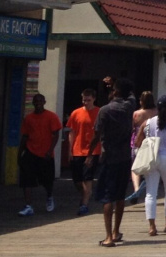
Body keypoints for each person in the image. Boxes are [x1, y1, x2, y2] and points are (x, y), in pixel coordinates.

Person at [88, 78, 136, 247]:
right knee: (120, 196)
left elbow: (96, 134)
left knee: (107, 197)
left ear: (115, 92)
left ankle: (108, 236)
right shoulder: (129, 106)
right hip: (124, 157)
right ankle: (116, 232)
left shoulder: (105, 110)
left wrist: (89, 153)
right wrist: (116, 84)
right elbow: (130, 94)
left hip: (109, 157)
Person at [134, 95, 166, 236]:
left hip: (151, 158)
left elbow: (137, 142)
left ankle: (152, 226)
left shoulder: (147, 123)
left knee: (150, 193)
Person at [18, 93, 62, 216]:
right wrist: (20, 153)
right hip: (30, 152)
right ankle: (28, 205)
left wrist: (50, 150)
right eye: (35, 101)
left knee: (47, 181)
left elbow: (56, 134)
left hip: (45, 154)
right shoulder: (28, 118)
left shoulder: (51, 117)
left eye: (40, 101)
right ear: (33, 103)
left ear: (44, 102)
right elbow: (25, 136)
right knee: (26, 180)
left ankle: (49, 196)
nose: (38, 103)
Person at [66, 88, 100, 216]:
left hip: (93, 150)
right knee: (77, 180)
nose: (86, 102)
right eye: (84, 100)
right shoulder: (76, 113)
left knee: (88, 177)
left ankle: (84, 204)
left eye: (88, 100)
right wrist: (70, 150)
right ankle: (86, 195)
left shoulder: (99, 112)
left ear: (94, 99)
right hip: (77, 150)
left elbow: (102, 132)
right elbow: (72, 132)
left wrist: (102, 149)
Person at [125, 92, 157, 204]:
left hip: (137, 142)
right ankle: (150, 192)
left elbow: (131, 128)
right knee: (151, 168)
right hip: (152, 142)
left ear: (141, 101)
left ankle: (136, 188)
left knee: (135, 168)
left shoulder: (136, 114)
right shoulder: (156, 113)